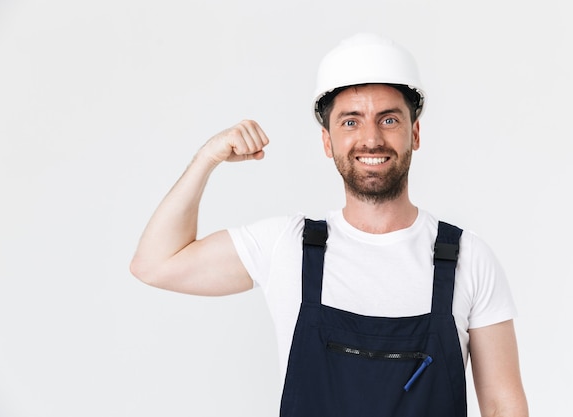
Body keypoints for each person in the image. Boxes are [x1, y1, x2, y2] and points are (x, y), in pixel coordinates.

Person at [130, 33, 529, 417]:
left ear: (415, 133)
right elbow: (155, 264)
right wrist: (207, 158)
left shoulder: (468, 259)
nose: (371, 139)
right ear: (327, 141)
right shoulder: (286, 247)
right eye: (350, 122)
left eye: (388, 120)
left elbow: (503, 408)